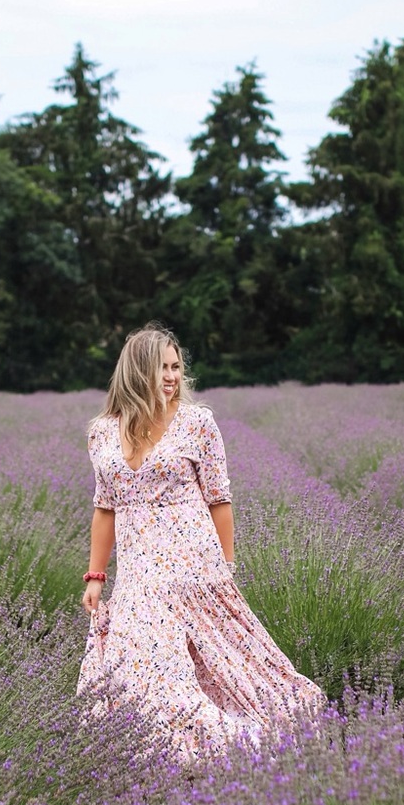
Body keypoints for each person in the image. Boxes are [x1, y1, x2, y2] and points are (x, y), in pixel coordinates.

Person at [77, 322, 325, 761]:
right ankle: (161, 746)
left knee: (220, 660)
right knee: (141, 662)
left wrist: (225, 568)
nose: (172, 377)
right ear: (137, 373)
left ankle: (212, 743)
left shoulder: (197, 423)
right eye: (162, 368)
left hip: (193, 565)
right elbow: (105, 507)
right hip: (138, 573)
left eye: (176, 367)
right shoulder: (102, 431)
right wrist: (96, 574)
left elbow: (219, 499)